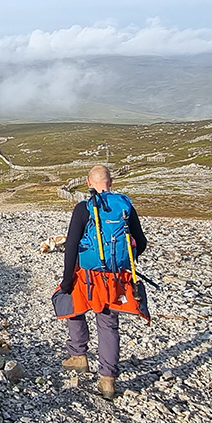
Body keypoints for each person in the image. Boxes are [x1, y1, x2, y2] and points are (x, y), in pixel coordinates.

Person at [57, 164, 148, 400]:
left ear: (89, 182)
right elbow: (142, 242)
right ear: (111, 183)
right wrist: (123, 261)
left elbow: (71, 247)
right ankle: (107, 379)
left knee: (72, 303)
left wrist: (67, 281)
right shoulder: (124, 206)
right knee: (108, 324)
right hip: (116, 277)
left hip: (88, 277)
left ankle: (78, 355)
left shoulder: (83, 208)